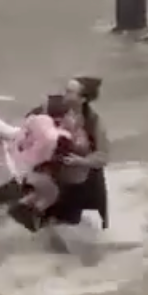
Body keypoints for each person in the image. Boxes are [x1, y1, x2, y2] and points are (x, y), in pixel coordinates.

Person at [6, 97, 80, 232]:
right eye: (71, 115)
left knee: (40, 193)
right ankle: (30, 214)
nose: (74, 118)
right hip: (38, 174)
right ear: (60, 119)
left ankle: (26, 210)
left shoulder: (34, 127)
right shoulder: (59, 138)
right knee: (51, 193)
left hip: (23, 171)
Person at [52, 76, 110, 229]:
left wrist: (81, 161)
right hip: (59, 182)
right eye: (66, 90)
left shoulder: (94, 122)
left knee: (94, 235)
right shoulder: (55, 111)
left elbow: (103, 156)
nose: (64, 94)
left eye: (70, 92)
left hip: (87, 185)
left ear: (82, 99)